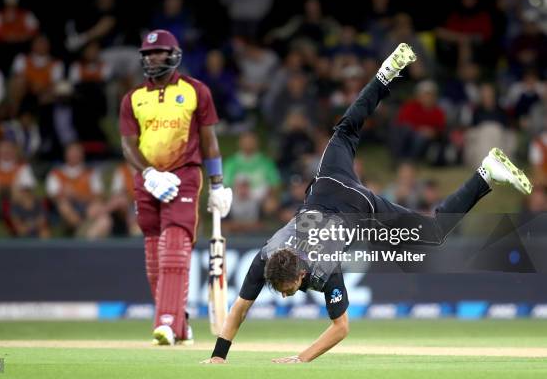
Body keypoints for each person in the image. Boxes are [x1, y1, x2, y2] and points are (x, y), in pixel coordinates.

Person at [202, 43, 532, 364]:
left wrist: (300, 359)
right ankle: (386, 74)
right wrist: (218, 357)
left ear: (301, 271)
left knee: (434, 231)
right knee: (345, 131)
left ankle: (486, 174)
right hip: (326, 184)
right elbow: (241, 308)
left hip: (354, 206)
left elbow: (340, 328)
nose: (285, 295)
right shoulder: (268, 258)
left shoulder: (321, 267)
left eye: (287, 289)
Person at [118, 29, 233, 345]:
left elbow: (209, 142)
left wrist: (217, 185)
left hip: (184, 175)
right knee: (154, 254)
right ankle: (179, 323)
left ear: (174, 55)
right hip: (148, 181)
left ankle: (166, 322)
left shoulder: (196, 91)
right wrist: (149, 173)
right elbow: (128, 146)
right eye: (148, 54)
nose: (154, 58)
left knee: (174, 247)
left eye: (160, 52)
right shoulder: (133, 99)